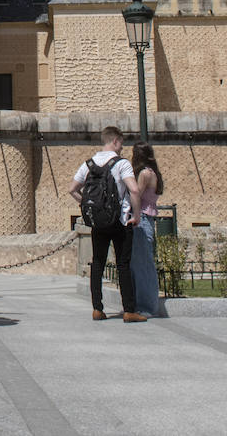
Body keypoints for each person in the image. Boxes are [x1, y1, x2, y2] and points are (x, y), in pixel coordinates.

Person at [70, 126, 144, 323]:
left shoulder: (88, 164)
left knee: (98, 263)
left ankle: (97, 309)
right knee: (123, 265)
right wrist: (136, 215)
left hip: (99, 222)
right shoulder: (122, 164)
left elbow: (73, 189)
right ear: (116, 141)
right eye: (121, 144)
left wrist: (86, 204)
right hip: (120, 221)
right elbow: (134, 190)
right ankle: (129, 310)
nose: (122, 148)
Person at [129, 141, 162, 318]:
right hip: (146, 219)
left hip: (141, 220)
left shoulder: (144, 174)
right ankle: (139, 303)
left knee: (142, 265)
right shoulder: (153, 172)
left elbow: (136, 195)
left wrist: (132, 214)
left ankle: (146, 306)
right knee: (138, 264)